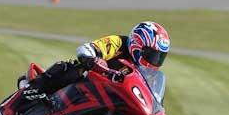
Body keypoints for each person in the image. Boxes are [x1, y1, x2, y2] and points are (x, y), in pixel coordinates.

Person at [20, 21, 170, 102]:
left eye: (159, 57)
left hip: (108, 98)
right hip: (86, 83)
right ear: (138, 43)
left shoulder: (149, 75)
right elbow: (85, 49)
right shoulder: (119, 42)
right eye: (152, 54)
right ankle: (31, 89)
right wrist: (93, 61)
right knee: (72, 68)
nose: (154, 61)